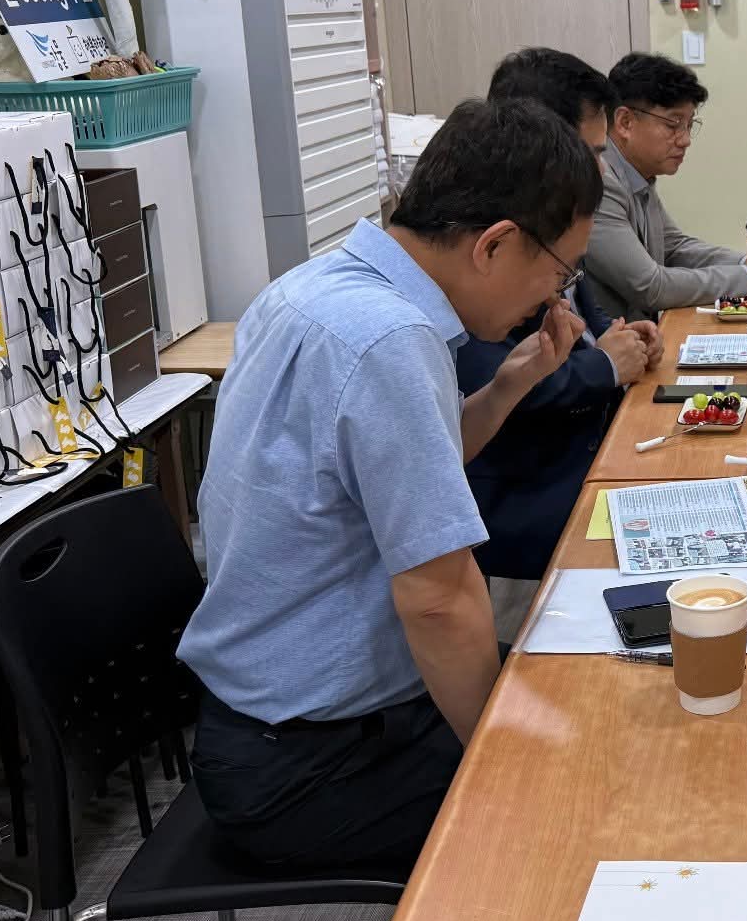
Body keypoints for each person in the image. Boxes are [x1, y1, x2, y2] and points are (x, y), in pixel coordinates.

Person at [179, 97, 602, 871]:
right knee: (589, 795)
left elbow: (391, 474)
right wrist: (502, 767)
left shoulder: (314, 289)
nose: (555, 297)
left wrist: (508, 386)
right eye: (558, 271)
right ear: (495, 244)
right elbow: (437, 600)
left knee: (585, 687)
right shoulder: (391, 339)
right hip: (313, 765)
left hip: (261, 723)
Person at [459, 49, 664, 638]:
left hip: (586, 461)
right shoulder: (492, 247)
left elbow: (583, 316)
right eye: (593, 151)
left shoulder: (556, 223)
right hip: (527, 505)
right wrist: (604, 367)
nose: (602, 169)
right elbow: (495, 376)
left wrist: (619, 341)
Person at [585, 53, 747, 323]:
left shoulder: (639, 173)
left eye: (689, 125)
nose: (685, 140)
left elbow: (675, 248)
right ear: (625, 122)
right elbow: (650, 287)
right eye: (673, 125)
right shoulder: (600, 181)